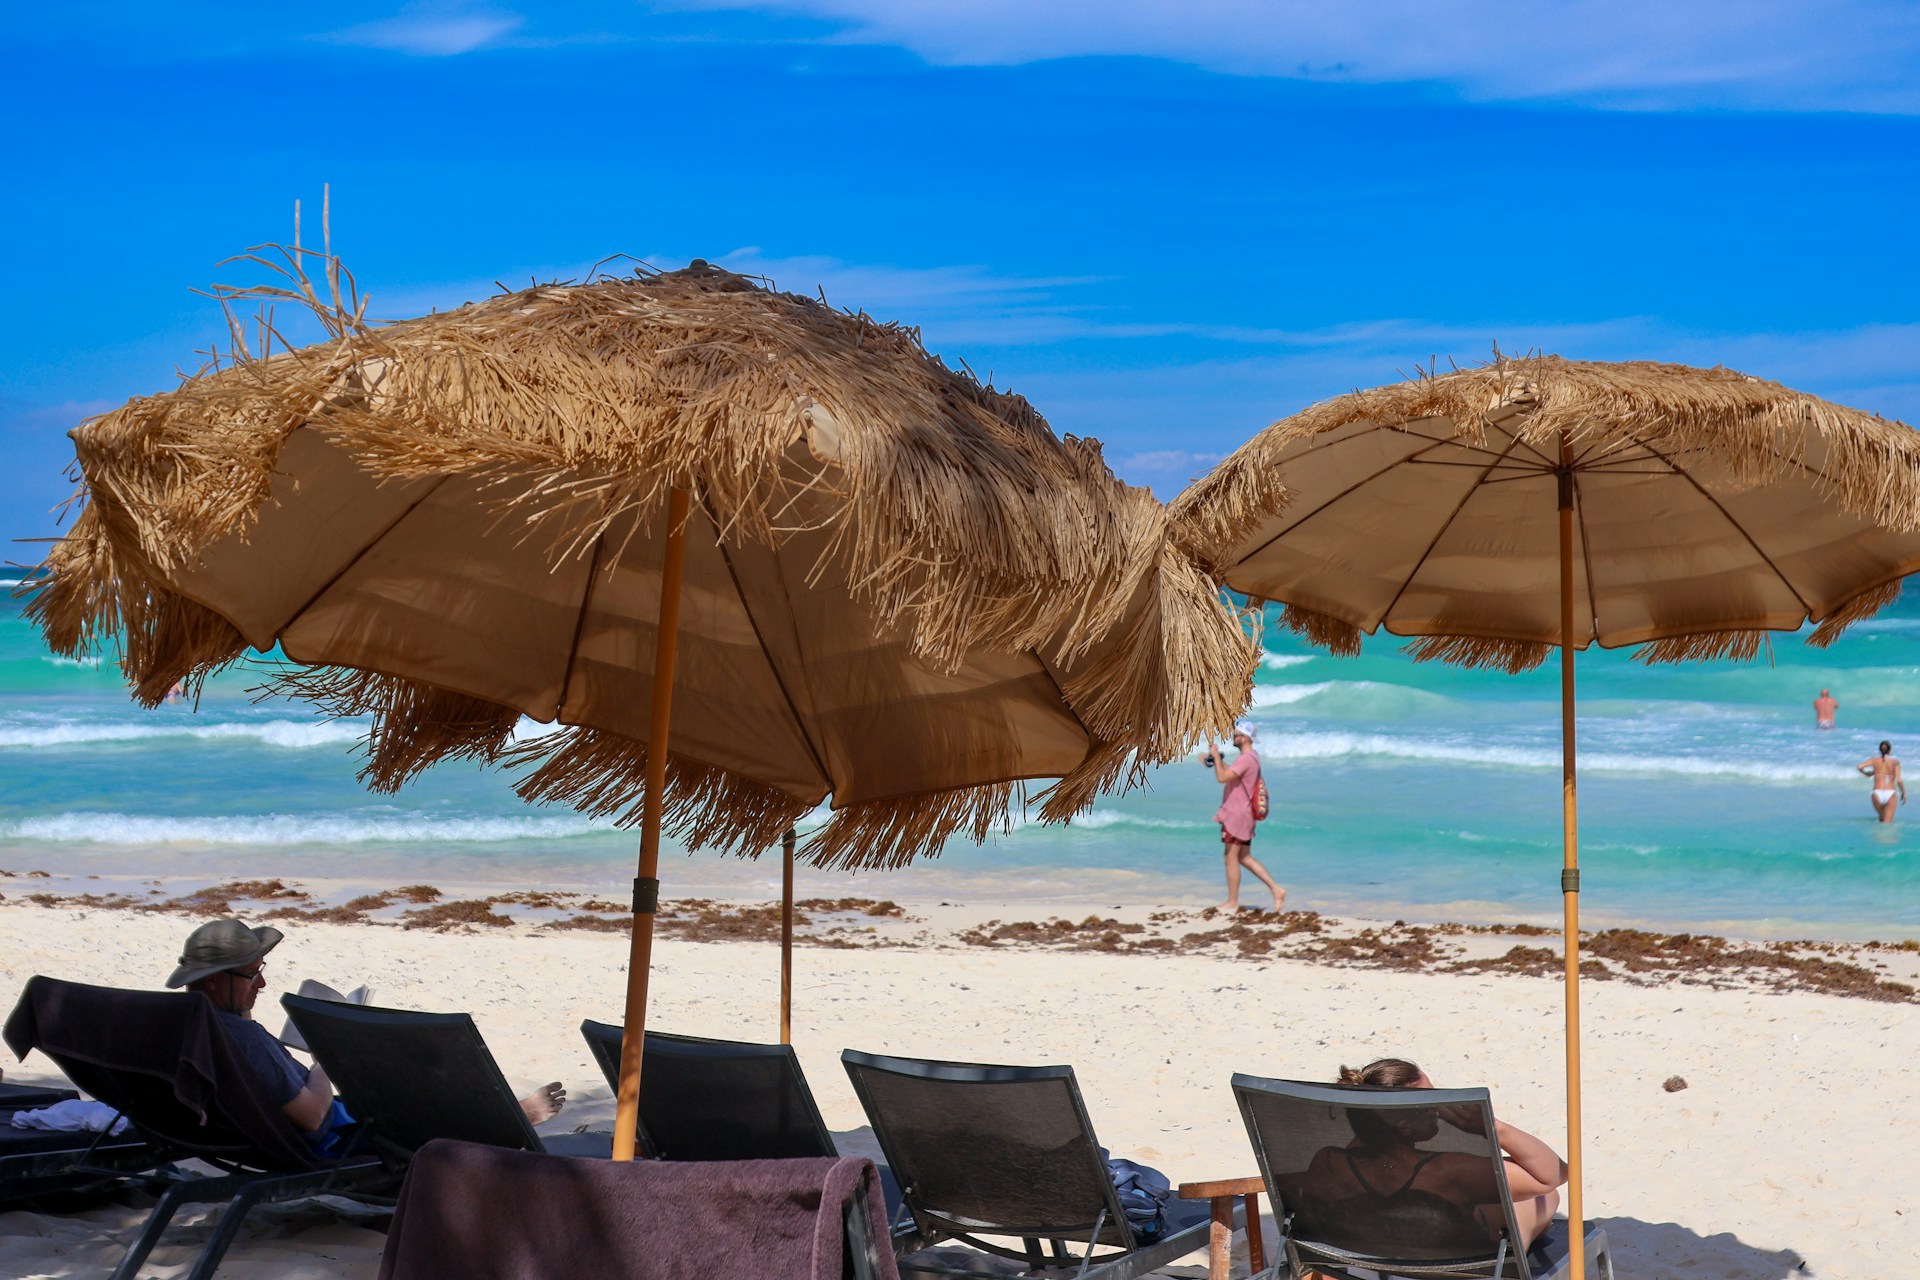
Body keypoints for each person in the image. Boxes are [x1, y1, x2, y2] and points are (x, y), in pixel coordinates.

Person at [167, 918, 565, 1150]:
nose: (263, 984)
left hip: (255, 1131)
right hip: (331, 1138)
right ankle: (518, 1117)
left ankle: (506, 1111)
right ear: (216, 982)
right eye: (254, 974)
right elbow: (310, 1117)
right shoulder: (243, 1040)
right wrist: (324, 1060)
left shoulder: (190, 1026)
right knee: (417, 1109)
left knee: (401, 1090)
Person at [1299, 1057, 1567, 1254]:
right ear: (1405, 1127)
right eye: (1430, 1101)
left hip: (1377, 1254)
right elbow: (1554, 1174)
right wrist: (1492, 1127)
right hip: (1458, 1266)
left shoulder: (1329, 1162)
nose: (1439, 1108)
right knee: (1545, 1197)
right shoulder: (1449, 1171)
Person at [1206, 719, 1283, 913]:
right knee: (1244, 857)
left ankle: (1232, 902)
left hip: (1237, 815)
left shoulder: (1246, 759)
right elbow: (1229, 773)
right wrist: (1216, 760)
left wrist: (1216, 757)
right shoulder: (1252, 757)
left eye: (1236, 734)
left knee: (1230, 858)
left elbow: (1222, 777)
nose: (1233, 736)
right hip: (1244, 814)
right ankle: (1277, 889)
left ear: (1245, 738)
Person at [1856, 741, 1905, 824]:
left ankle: (1878, 836)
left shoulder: (1874, 760)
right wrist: (1904, 792)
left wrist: (1867, 773)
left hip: (1876, 793)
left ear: (1879, 750)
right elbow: (1899, 780)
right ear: (1890, 750)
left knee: (1881, 820)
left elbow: (1859, 766)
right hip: (1890, 793)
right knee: (1887, 823)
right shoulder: (1895, 762)